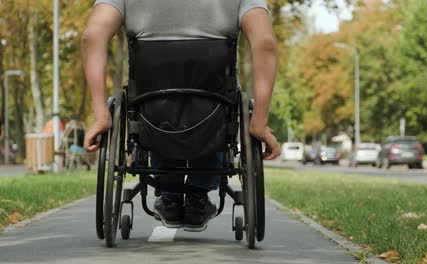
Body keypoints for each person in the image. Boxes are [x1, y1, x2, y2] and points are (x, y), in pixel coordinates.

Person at [82, 0, 281, 231]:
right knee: (217, 102)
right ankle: (198, 194)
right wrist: (259, 121)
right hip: (215, 113)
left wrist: (100, 115)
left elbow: (92, 37)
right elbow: (265, 43)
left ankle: (169, 195)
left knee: (156, 102)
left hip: (151, 114)